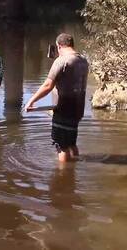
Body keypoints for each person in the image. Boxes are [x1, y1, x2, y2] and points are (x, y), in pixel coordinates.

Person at [25, 33, 89, 162]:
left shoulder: (61, 61)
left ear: (59, 46)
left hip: (64, 109)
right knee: (71, 143)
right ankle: (75, 165)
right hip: (78, 108)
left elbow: (48, 85)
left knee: (62, 147)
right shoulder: (83, 60)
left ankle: (63, 175)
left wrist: (31, 101)